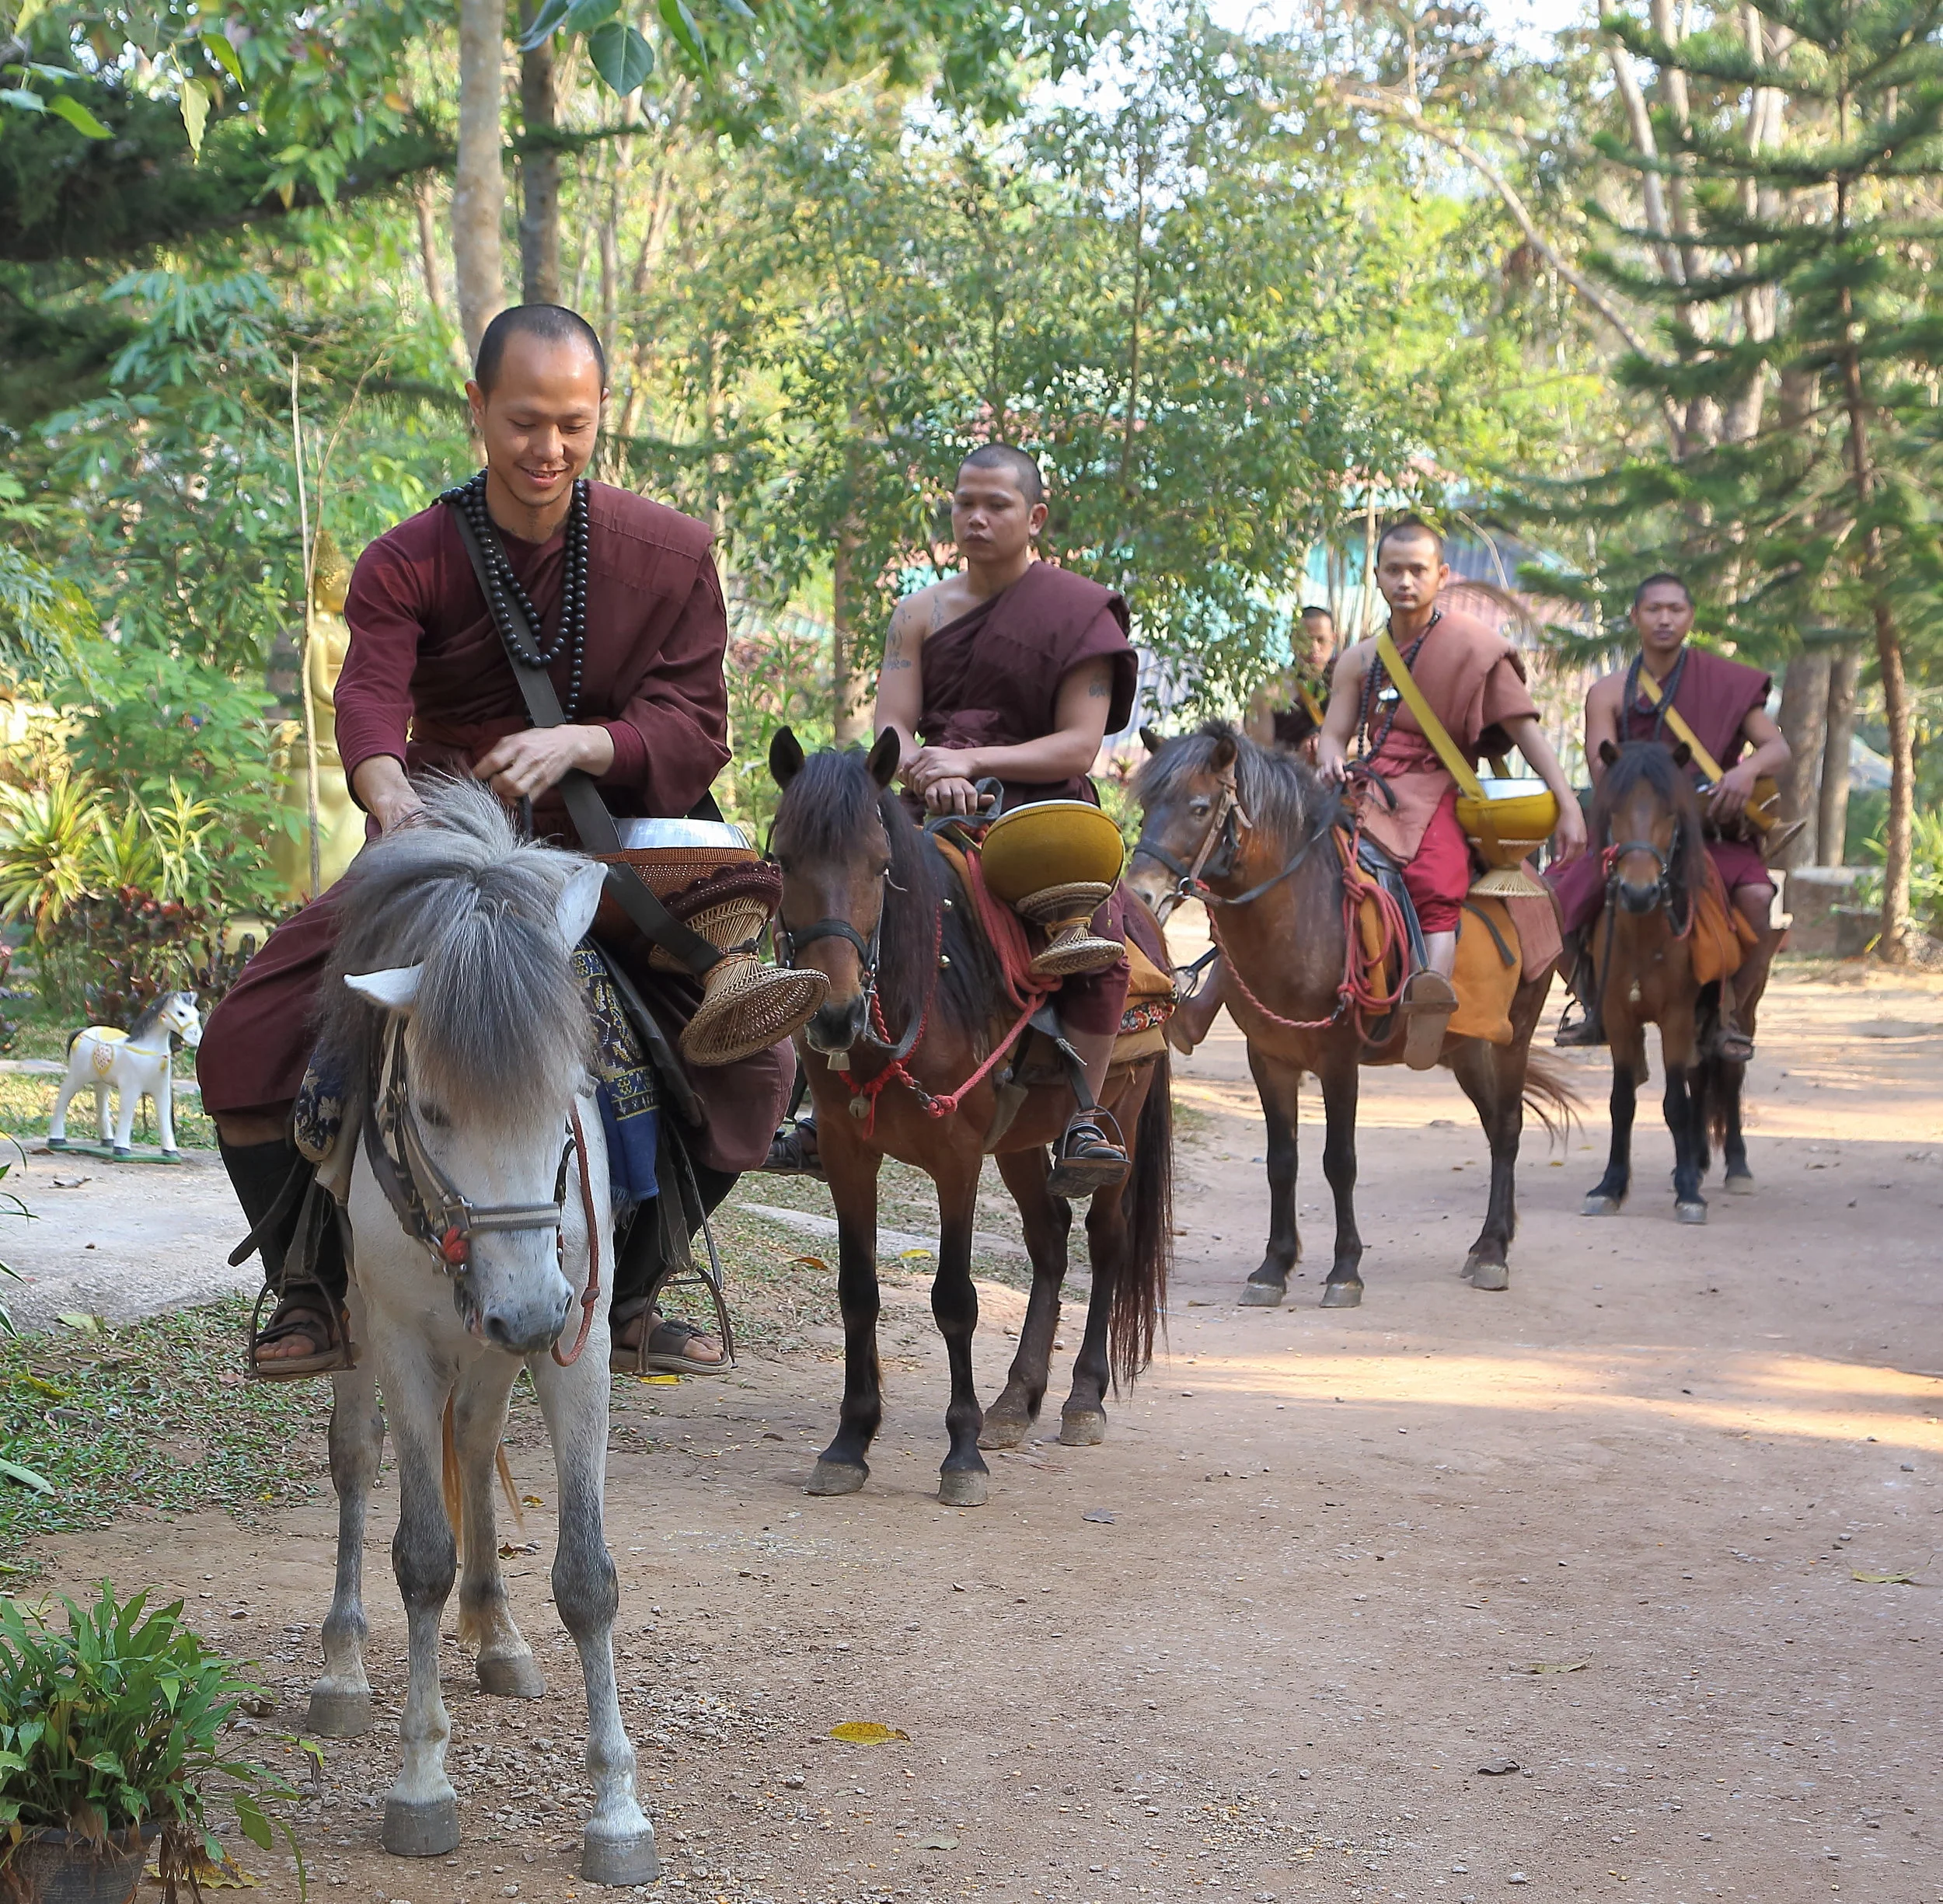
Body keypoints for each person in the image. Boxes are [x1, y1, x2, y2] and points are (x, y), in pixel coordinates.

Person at [201, 302, 783, 1376]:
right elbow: (368, 699)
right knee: (242, 1036)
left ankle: (639, 1287)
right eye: (523, 421)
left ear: (601, 414)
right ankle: (309, 1288)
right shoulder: (407, 558)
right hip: (442, 841)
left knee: (759, 1057)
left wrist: (585, 744)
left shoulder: (672, 551)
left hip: (608, 848)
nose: (547, 448)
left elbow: (698, 728)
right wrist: (391, 801)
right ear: (477, 409)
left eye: (572, 422)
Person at [769, 444, 1142, 1197]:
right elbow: (893, 729)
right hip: (923, 803)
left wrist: (973, 763)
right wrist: (924, 765)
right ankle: (824, 1099)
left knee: (1098, 936)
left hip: (1044, 813)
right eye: (963, 501)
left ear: (1033, 517)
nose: (975, 516)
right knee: (834, 905)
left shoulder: (1079, 610)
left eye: (995, 504)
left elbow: (1079, 742)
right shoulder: (918, 611)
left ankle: (1084, 1113)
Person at [1312, 518, 1586, 1069]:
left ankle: (1431, 994)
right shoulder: (1359, 659)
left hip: (1441, 785)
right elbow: (1334, 735)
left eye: (1417, 570)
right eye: (1394, 570)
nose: (1405, 581)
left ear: (1441, 575)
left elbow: (1526, 731)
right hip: (1368, 786)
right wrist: (1329, 758)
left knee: (1435, 877)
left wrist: (1569, 804)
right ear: (1378, 576)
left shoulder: (1473, 647)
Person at [1548, 572, 1789, 1058]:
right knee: (1555, 900)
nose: (1664, 619)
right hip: (1636, 830)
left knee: (1761, 897)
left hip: (1709, 828)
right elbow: (1601, 769)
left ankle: (1731, 1016)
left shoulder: (1724, 682)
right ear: (1635, 617)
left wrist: (1744, 775)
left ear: (1690, 618)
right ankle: (1593, 1003)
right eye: (1653, 609)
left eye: (1675, 610)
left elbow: (1778, 747)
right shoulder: (1610, 691)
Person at [1243, 605, 1338, 755]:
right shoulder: (1268, 691)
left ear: (1334, 639)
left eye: (1321, 640)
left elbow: (1366, 742)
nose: (1314, 648)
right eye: (1306, 640)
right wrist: (1300, 756)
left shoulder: (1346, 684)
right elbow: (1260, 758)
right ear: (1293, 640)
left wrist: (1326, 748)